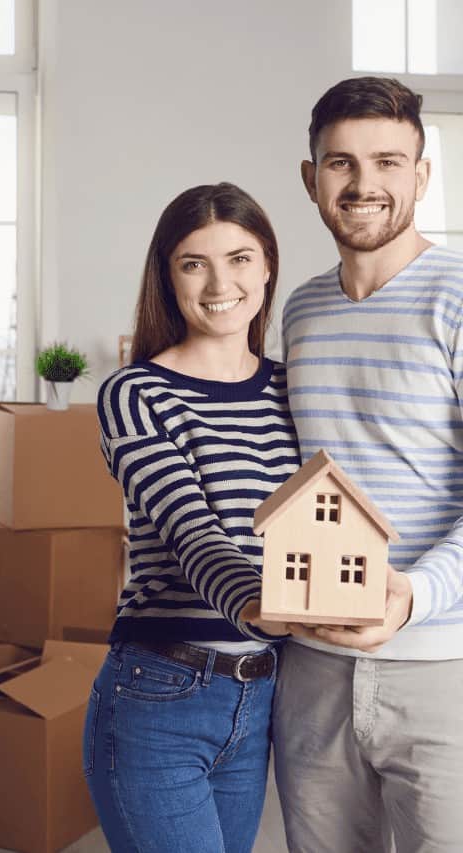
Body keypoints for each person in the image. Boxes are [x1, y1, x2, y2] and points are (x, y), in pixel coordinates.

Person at [274, 76, 463, 852]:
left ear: (422, 175)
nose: (364, 183)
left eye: (388, 161)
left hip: (442, 664)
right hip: (312, 669)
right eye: (341, 162)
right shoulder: (299, 309)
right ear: (311, 177)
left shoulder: (457, 296)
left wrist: (413, 595)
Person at [83, 182, 300, 852]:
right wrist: (261, 606)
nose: (219, 283)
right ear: (167, 275)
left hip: (262, 695)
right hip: (160, 693)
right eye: (193, 263)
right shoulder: (135, 393)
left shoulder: (293, 389)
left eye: (239, 258)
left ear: (268, 265)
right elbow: (192, 533)